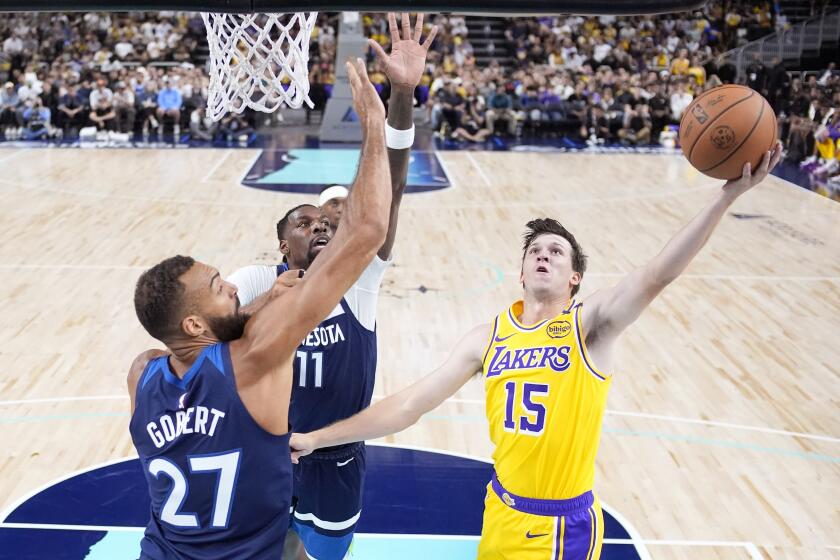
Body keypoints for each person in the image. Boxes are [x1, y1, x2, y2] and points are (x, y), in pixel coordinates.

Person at [291, 144, 784, 559]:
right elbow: (408, 406)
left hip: (561, 528)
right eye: (535, 251)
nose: (543, 254)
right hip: (500, 511)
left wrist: (726, 197)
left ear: (574, 279)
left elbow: (657, 274)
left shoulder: (590, 326)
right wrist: (318, 438)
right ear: (522, 273)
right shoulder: (489, 336)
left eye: (556, 252)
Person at [127, 57, 392, 560]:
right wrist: (375, 126)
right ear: (192, 321)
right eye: (216, 284)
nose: (230, 284)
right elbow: (367, 231)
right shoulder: (255, 359)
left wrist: (261, 300)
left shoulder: (142, 374)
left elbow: (191, 348)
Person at [226, 15, 436, 560]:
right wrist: (265, 304)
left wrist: (401, 97)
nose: (321, 225)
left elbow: (389, 192)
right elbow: (207, 328)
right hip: (267, 455)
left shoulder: (360, 279)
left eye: (331, 222)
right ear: (281, 246)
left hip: (335, 457)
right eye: (307, 221)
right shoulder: (256, 280)